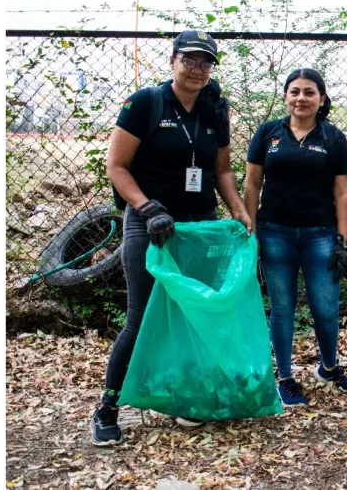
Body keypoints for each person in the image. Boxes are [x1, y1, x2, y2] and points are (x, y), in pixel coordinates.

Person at [90, 30, 253, 446]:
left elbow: (221, 171)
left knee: (194, 313)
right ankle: (107, 407)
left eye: (206, 62)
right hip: (152, 223)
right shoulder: (146, 103)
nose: (197, 69)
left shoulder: (215, 109)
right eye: (190, 59)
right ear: (173, 61)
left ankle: (185, 397)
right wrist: (146, 208)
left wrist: (238, 211)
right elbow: (117, 167)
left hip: (199, 227)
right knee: (142, 315)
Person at [243, 68, 347, 406]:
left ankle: (329, 367)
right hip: (275, 231)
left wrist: (343, 239)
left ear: (321, 99)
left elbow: (343, 193)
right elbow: (252, 184)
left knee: (325, 307)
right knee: (282, 307)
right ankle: (286, 378)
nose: (301, 98)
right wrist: (249, 229)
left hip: (320, 233)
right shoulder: (268, 134)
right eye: (295, 91)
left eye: (309, 92)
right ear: (285, 96)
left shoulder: (333, 138)